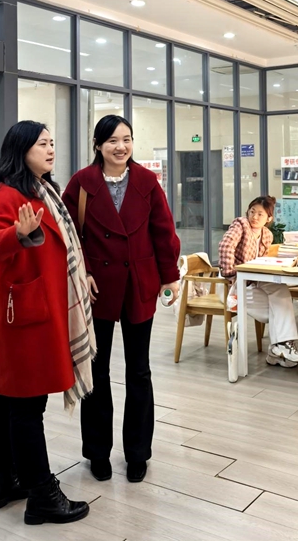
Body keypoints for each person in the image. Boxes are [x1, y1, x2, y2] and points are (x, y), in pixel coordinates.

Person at [0, 121, 95, 526]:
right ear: (21, 149)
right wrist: (16, 233)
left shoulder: (41, 190)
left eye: (51, 143)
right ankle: (42, 495)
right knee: (28, 407)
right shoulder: (7, 195)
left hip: (36, 310)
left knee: (9, 398)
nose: (50, 149)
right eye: (42, 144)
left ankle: (1, 482)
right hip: (25, 315)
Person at [63, 115, 180, 484]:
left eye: (127, 139)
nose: (121, 147)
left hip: (138, 283)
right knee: (97, 372)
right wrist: (84, 272)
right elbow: (69, 234)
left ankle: (138, 453)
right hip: (97, 286)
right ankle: (97, 452)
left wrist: (170, 276)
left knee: (139, 370)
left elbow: (163, 231)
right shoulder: (82, 183)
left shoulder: (146, 181)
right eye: (112, 140)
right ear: (98, 145)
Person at [218, 196, 298, 368]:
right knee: (279, 308)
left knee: (280, 290)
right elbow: (225, 246)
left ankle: (277, 349)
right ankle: (278, 348)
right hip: (233, 284)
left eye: (260, 214)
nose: (254, 217)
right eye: (252, 212)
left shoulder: (267, 235)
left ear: (269, 218)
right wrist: (231, 274)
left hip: (252, 281)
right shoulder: (241, 225)